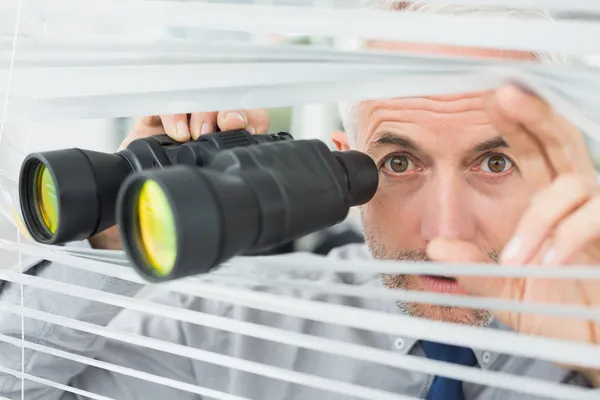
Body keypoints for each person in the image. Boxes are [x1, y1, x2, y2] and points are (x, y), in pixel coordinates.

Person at [1, 1, 600, 399]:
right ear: (344, 169)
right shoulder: (226, 331)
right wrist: (113, 232)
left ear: (560, 163)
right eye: (396, 163)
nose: (446, 232)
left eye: (495, 162)